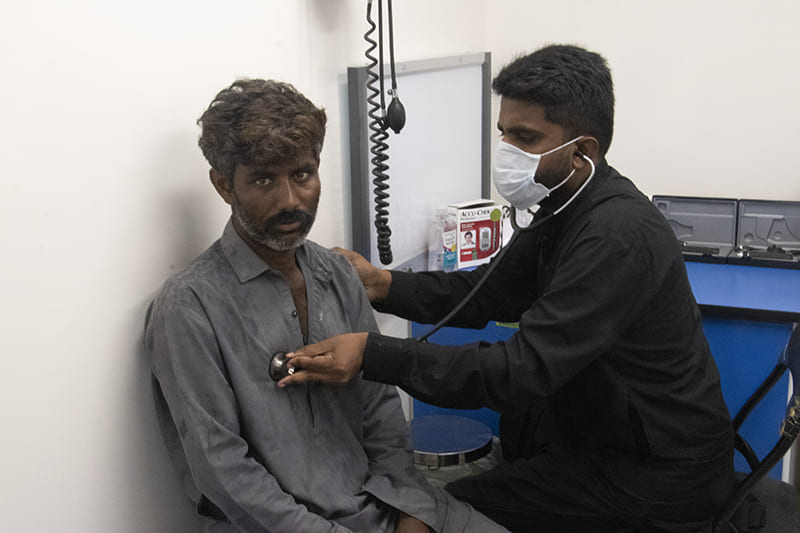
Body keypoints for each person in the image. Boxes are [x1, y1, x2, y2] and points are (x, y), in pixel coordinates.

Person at [280, 45, 737, 532]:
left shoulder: (616, 237)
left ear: (583, 151)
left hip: (658, 476)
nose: (507, 151)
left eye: (526, 138)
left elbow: (519, 371)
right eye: (504, 133)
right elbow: (487, 291)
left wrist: (372, 355)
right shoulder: (563, 204)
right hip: (600, 432)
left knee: (440, 516)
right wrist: (383, 284)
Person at [144, 79, 508, 533]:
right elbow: (224, 474)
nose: (289, 200)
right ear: (223, 185)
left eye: (302, 175)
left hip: (382, 505)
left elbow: (381, 412)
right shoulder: (189, 307)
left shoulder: (337, 275)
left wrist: (412, 509)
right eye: (263, 180)